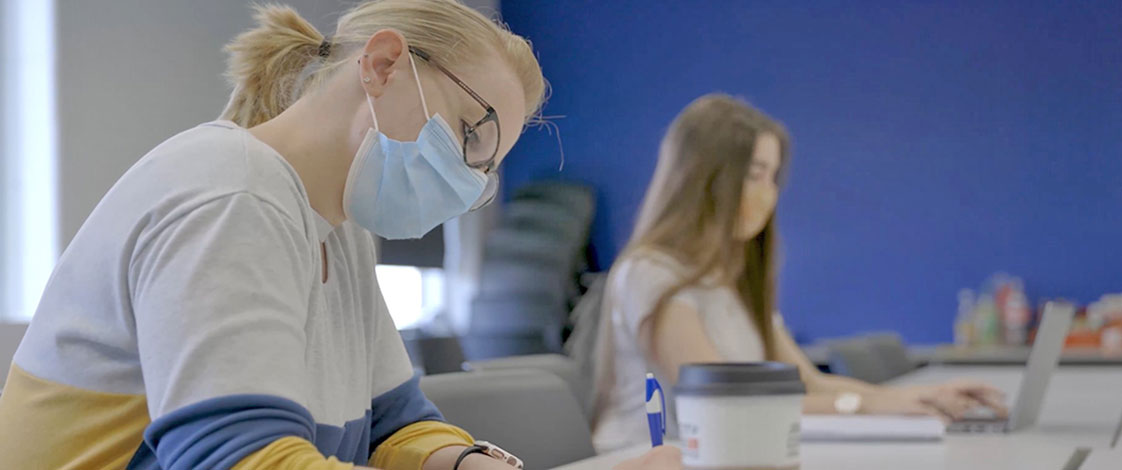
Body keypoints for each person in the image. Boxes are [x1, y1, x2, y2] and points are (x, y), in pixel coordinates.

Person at [0, 1, 546, 469]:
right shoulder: (232, 195)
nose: (467, 180)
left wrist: (462, 461)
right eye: (473, 137)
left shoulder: (339, 230)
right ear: (382, 67)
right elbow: (240, 458)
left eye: (485, 170)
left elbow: (395, 425)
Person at [590, 94, 1007, 452]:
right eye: (754, 175)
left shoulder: (730, 281)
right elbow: (728, 402)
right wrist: (871, 406)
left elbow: (808, 383)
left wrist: (918, 397)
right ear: (706, 177)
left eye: (773, 177)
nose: (768, 194)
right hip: (641, 459)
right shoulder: (651, 273)